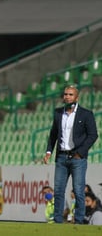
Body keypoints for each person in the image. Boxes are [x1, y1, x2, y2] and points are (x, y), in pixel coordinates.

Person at [43, 85, 98, 224]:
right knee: (59, 191)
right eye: (65, 94)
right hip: (61, 157)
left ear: (77, 97)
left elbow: (93, 135)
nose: (67, 96)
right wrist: (49, 151)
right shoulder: (58, 113)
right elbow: (53, 134)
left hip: (77, 158)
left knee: (79, 191)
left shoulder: (86, 114)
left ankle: (79, 221)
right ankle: (57, 221)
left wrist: (80, 152)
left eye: (70, 94)